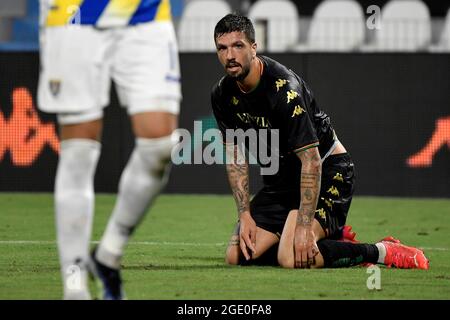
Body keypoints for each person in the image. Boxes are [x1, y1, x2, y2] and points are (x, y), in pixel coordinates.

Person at [211, 14, 429, 270]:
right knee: (238, 255)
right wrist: (245, 215)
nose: (230, 56)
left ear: (254, 48)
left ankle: (380, 251)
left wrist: (303, 227)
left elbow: (311, 161)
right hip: (282, 182)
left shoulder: (284, 91)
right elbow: (236, 158)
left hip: (327, 172)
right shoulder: (222, 94)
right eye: (222, 48)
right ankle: (335, 244)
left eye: (238, 46)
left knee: (291, 257)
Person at [38, 0, 181, 299]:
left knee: (159, 145)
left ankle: (107, 255)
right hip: (73, 12)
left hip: (145, 12)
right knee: (78, 153)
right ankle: (74, 284)